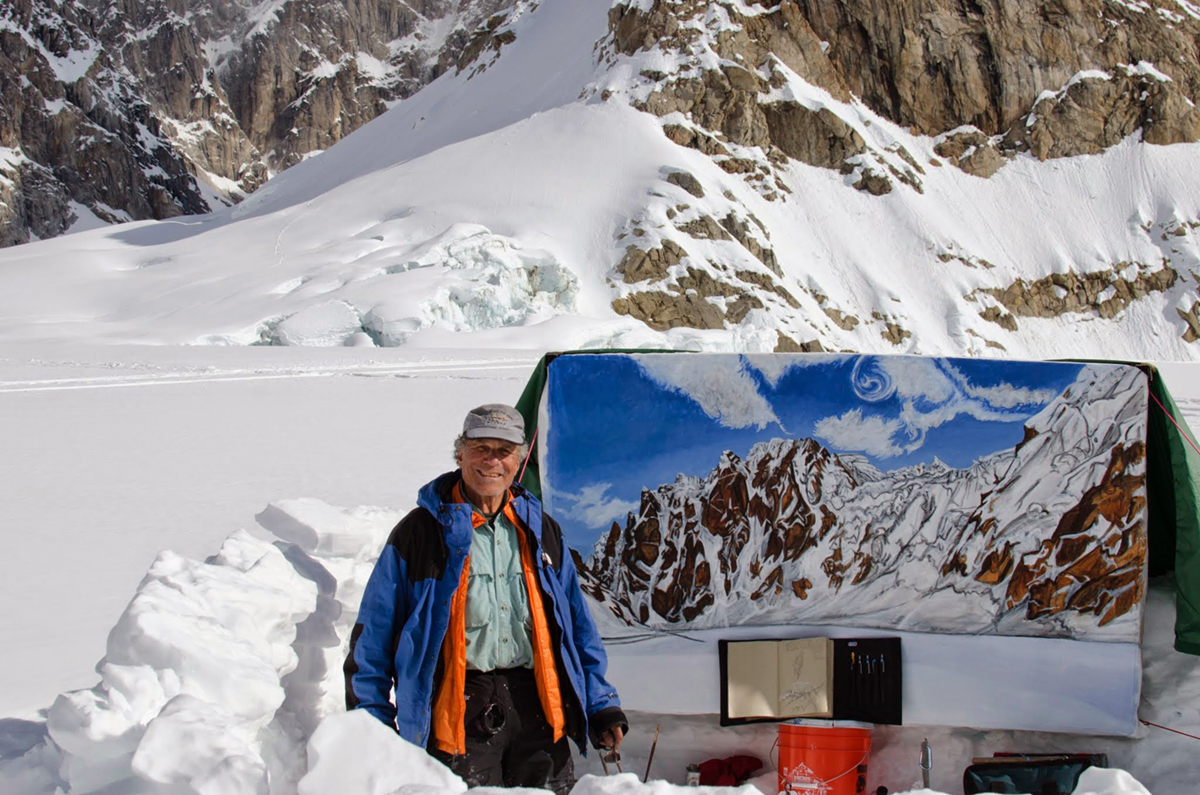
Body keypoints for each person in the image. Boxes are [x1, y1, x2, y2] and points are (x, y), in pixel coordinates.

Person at [344, 403, 628, 792]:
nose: (492, 461)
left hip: (540, 703)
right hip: (458, 710)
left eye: (504, 450)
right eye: (481, 447)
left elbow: (578, 629)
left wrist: (599, 704)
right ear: (459, 453)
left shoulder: (541, 530)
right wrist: (372, 726)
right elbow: (373, 637)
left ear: (520, 459)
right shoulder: (419, 534)